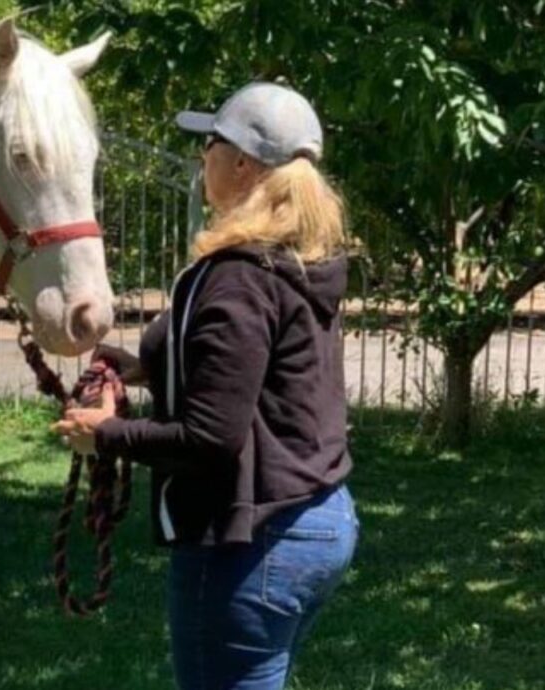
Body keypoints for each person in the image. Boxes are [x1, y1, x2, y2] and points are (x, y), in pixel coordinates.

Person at [52, 82, 358, 690]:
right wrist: (146, 365)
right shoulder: (298, 261)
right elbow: (255, 368)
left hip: (251, 539)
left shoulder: (237, 278)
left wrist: (105, 435)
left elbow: (211, 437)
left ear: (243, 163)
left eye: (211, 143)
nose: (203, 156)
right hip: (321, 517)